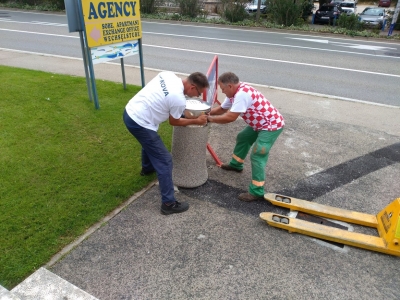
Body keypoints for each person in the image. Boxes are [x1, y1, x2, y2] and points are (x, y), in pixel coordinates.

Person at [123, 71, 209, 215]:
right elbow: (173, 121)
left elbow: (167, 101)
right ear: (193, 87)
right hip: (140, 122)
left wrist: (183, 113)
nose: (197, 96)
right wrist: (196, 120)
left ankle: (147, 169)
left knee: (150, 143)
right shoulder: (178, 99)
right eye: (199, 93)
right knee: (165, 160)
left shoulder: (168, 75)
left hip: (130, 111)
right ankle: (168, 204)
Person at [207, 72, 284, 202]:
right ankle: (236, 165)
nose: (222, 91)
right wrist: (205, 112)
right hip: (259, 124)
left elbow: (230, 117)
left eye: (223, 89)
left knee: (258, 153)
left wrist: (209, 119)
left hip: (271, 125)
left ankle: (257, 191)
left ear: (230, 86)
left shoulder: (242, 95)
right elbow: (222, 109)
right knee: (243, 137)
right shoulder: (235, 92)